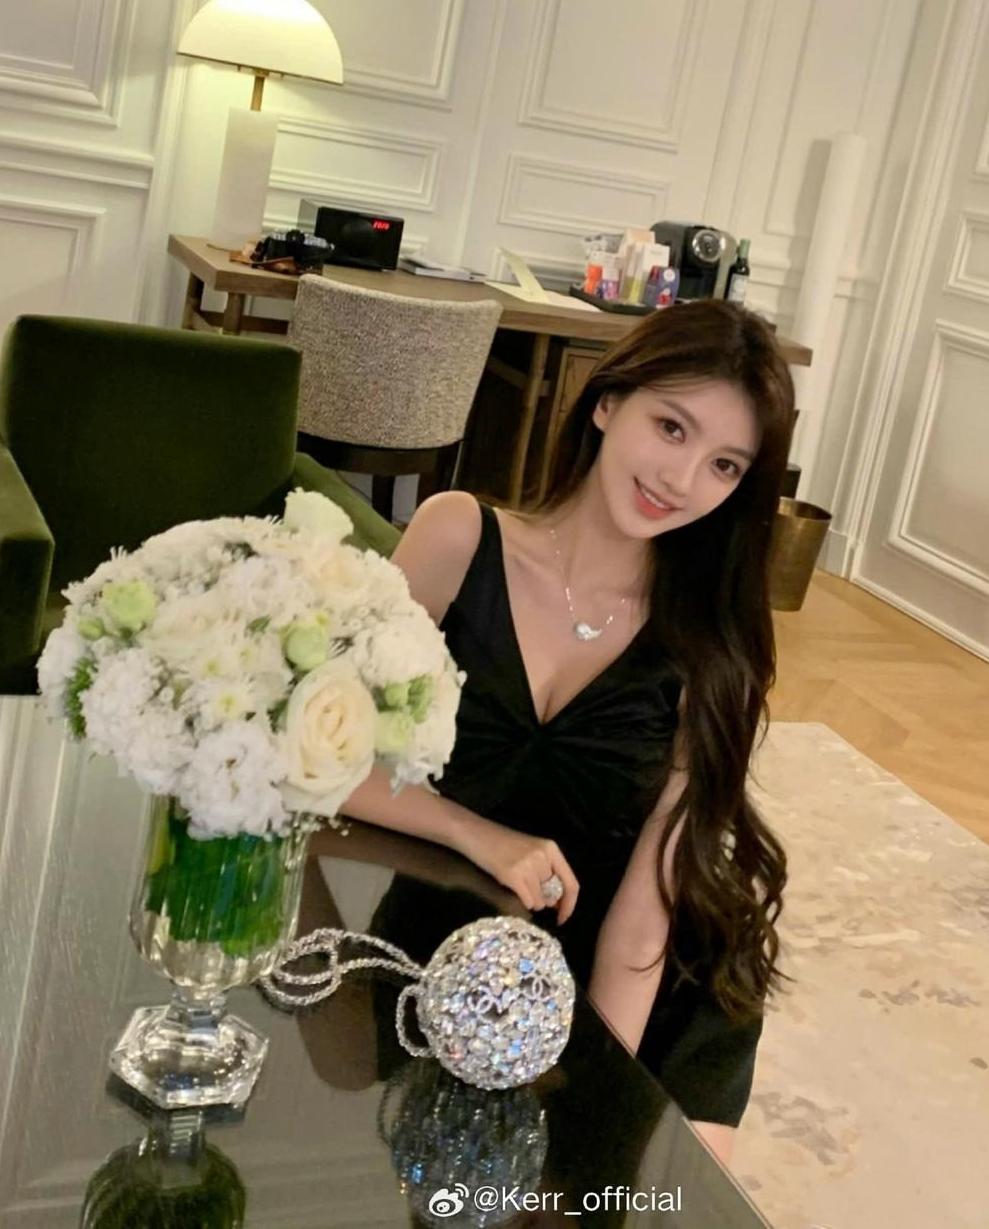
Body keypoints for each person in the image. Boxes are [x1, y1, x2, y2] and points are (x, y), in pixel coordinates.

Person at [340, 299, 795, 1167]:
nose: (682, 478)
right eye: (671, 426)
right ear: (607, 402)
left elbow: (645, 915)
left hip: (630, 982)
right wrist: (475, 832)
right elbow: (328, 757)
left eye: (724, 464)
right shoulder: (456, 535)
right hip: (447, 923)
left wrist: (593, 1096)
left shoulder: (711, 643)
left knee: (629, 1198)